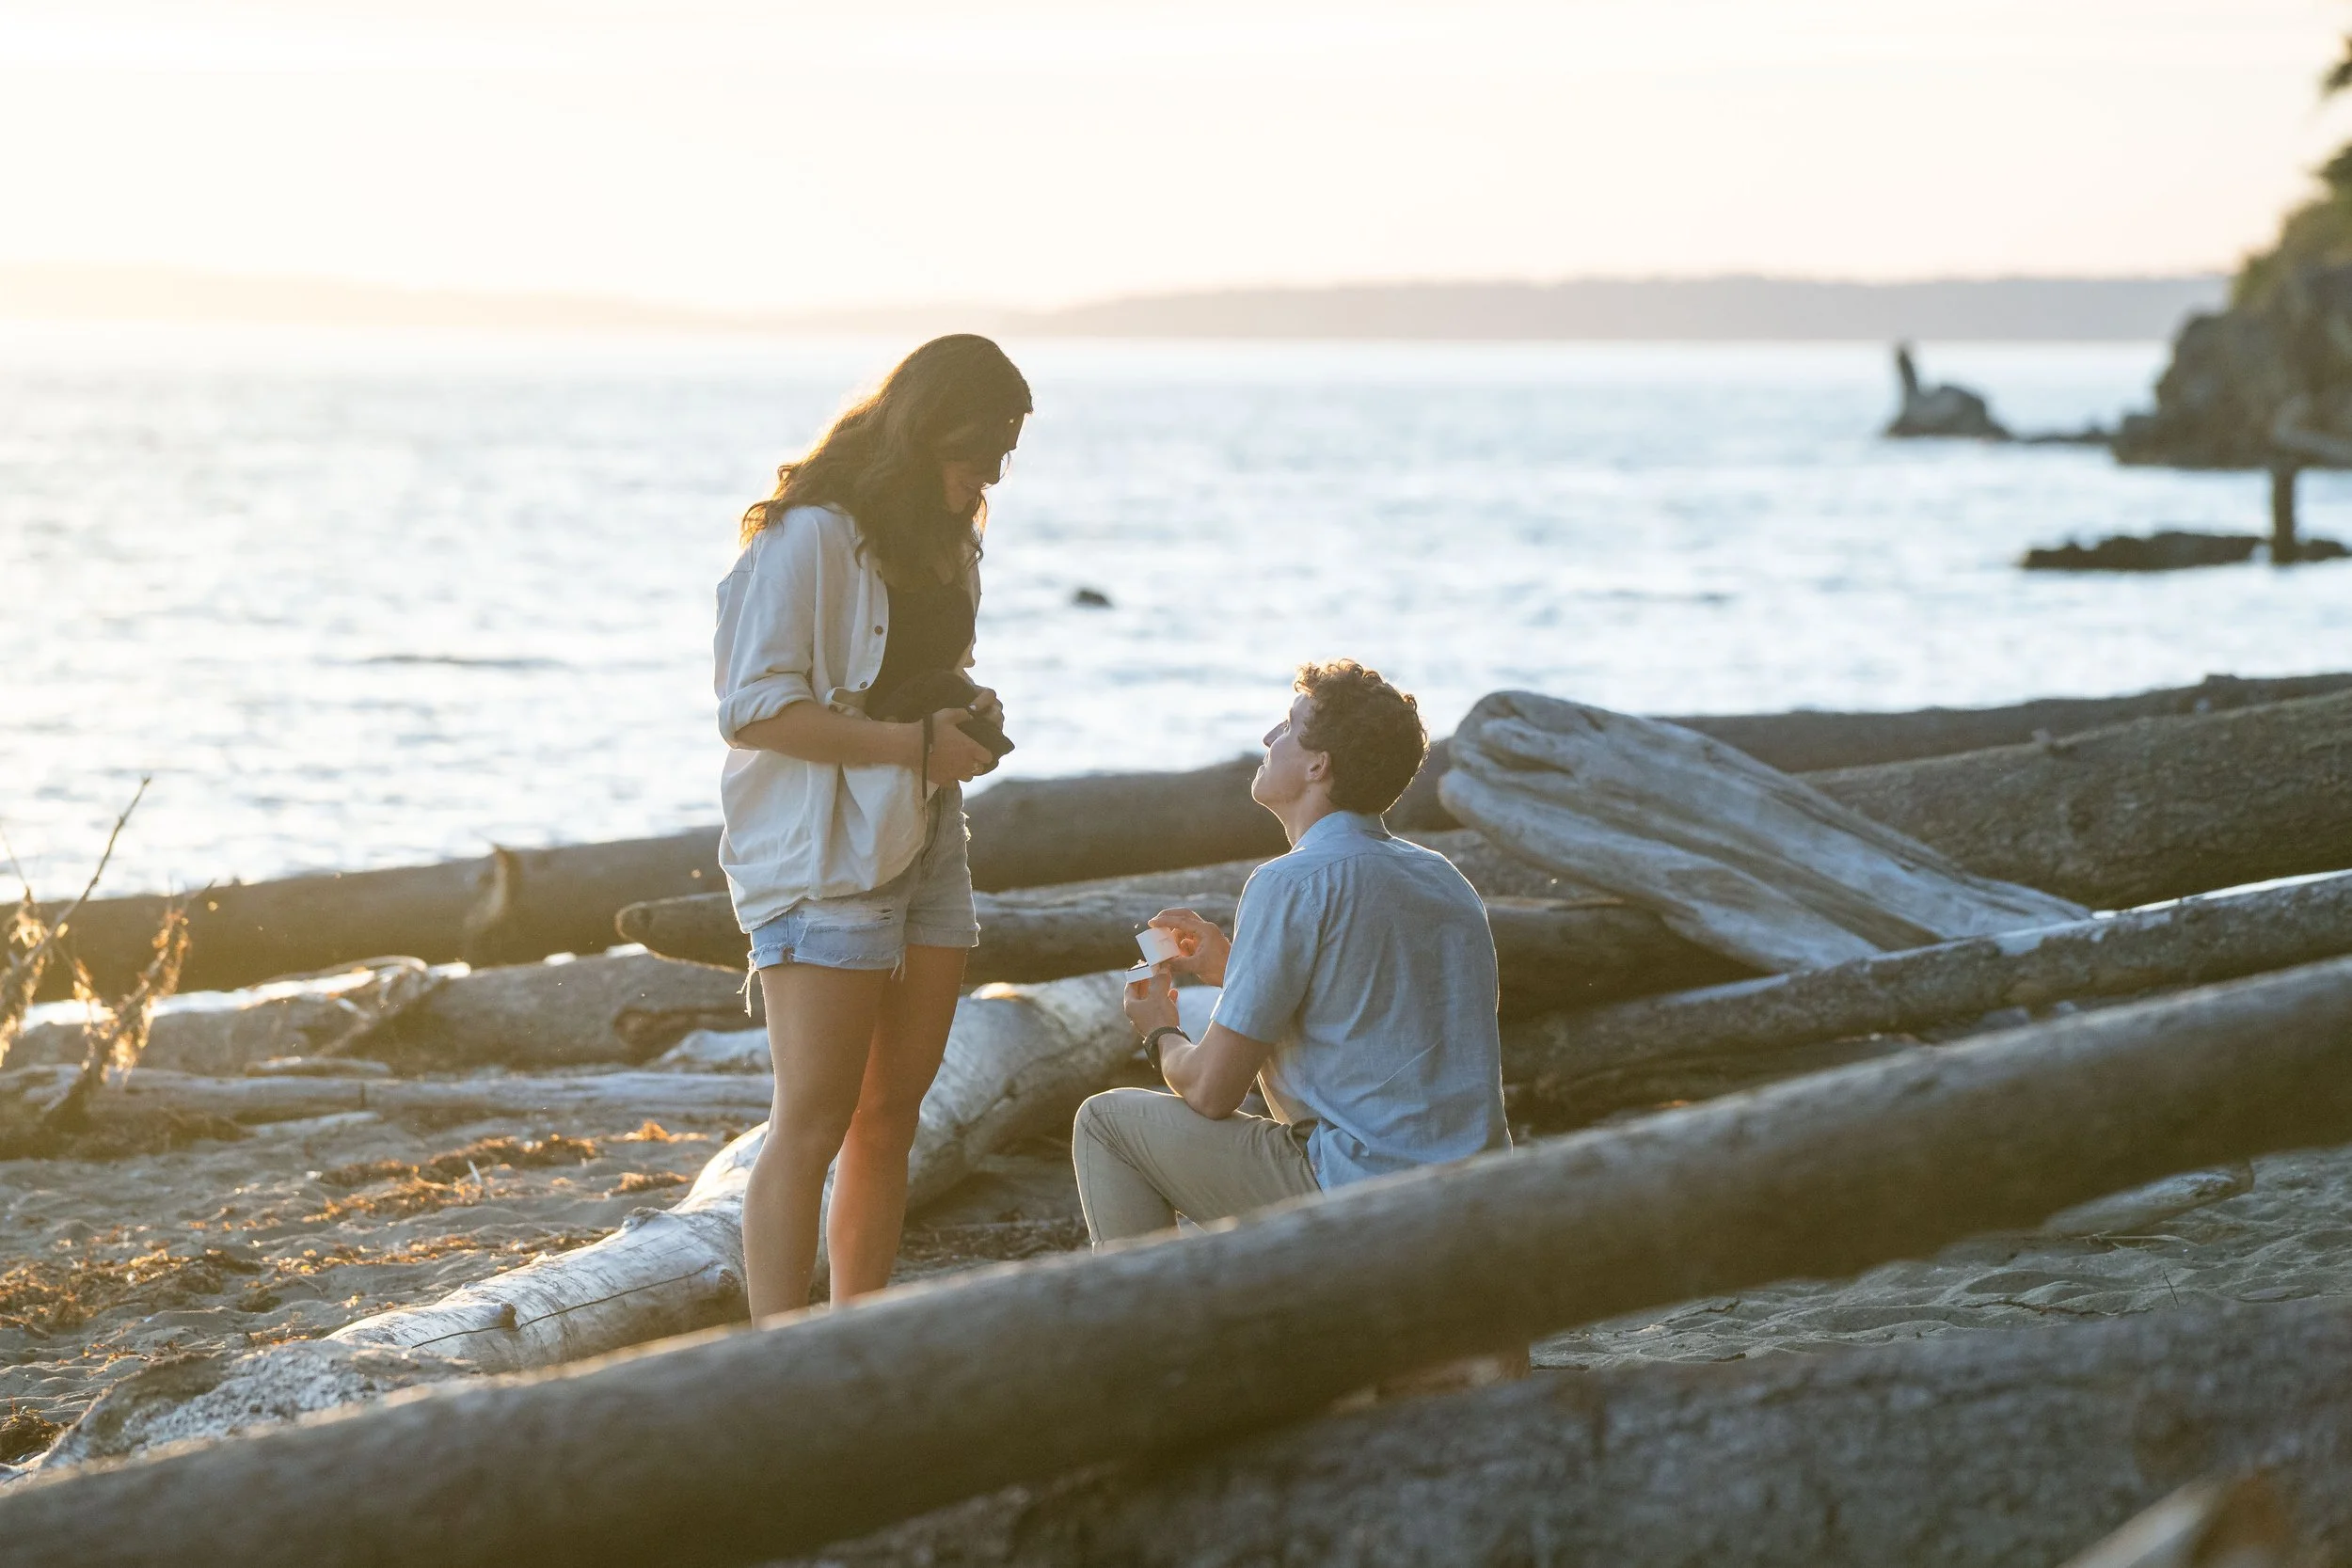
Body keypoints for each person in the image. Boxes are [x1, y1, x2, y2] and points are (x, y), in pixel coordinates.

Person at [715, 335, 1030, 1319]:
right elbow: (751, 707)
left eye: (1008, 450)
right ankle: (784, 1352)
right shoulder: (808, 533)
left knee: (891, 1115)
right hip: (825, 856)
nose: (994, 471)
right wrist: (910, 744)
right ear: (932, 425)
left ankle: (860, 1339)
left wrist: (961, 708)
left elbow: (903, 679)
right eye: (984, 446)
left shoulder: (948, 531)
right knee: (809, 1120)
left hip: (930, 839)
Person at [1073, 659, 1511, 1245]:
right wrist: (1232, 967)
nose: (1268, 738)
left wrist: (1160, 1032)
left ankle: (1151, 1334)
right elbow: (1365, 1022)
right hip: (1480, 1201)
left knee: (1104, 1123)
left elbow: (1210, 1090)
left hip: (1362, 1196)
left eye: (1287, 725)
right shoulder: (1443, 880)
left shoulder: (1292, 881)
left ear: (1317, 765)